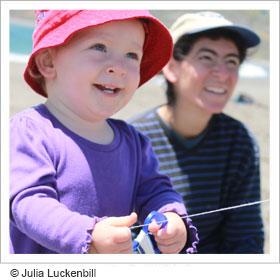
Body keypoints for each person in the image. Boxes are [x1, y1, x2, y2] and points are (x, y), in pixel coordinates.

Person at [10, 10, 199, 254]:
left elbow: (157, 190)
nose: (119, 67)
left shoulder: (135, 142)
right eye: (99, 47)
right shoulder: (29, 132)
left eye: (132, 55)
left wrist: (171, 217)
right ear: (48, 62)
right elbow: (27, 204)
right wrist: (87, 234)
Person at [131, 11, 264, 253]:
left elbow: (246, 239)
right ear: (171, 68)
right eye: (207, 57)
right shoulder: (133, 141)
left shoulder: (238, 141)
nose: (222, 73)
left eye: (232, 61)